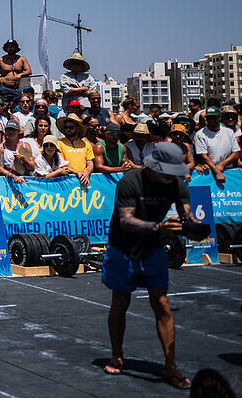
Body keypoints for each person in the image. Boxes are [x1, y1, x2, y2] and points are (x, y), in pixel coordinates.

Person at [102, 143, 201, 389]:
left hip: (153, 247)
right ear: (153, 166)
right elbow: (125, 221)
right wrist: (159, 227)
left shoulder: (177, 184)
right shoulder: (130, 182)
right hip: (123, 246)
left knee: (162, 304)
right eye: (166, 171)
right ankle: (117, 354)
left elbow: (188, 215)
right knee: (121, 301)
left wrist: (194, 226)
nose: (170, 176)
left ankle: (171, 366)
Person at [193, 106, 240, 184]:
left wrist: (222, 164)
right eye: (209, 118)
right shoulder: (200, 134)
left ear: (219, 117)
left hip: (229, 171)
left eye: (214, 117)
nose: (211, 120)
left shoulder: (229, 132)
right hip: (210, 171)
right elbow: (203, 156)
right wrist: (216, 171)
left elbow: (236, 153)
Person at [56, 115, 94, 187]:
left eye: (71, 127)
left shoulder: (86, 144)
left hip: (84, 180)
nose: (68, 129)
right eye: (66, 127)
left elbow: (90, 163)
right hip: (66, 181)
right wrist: (78, 173)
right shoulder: (59, 144)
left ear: (78, 129)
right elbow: (62, 165)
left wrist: (87, 173)